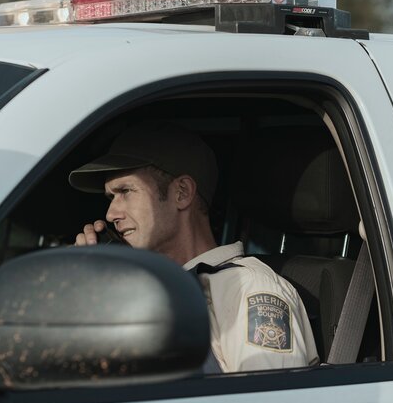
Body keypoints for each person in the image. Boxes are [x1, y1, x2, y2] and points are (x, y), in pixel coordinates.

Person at [68, 122, 318, 373]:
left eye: (126, 191)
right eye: (111, 198)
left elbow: (270, 402)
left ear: (182, 193)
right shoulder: (143, 292)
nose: (111, 213)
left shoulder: (247, 289)